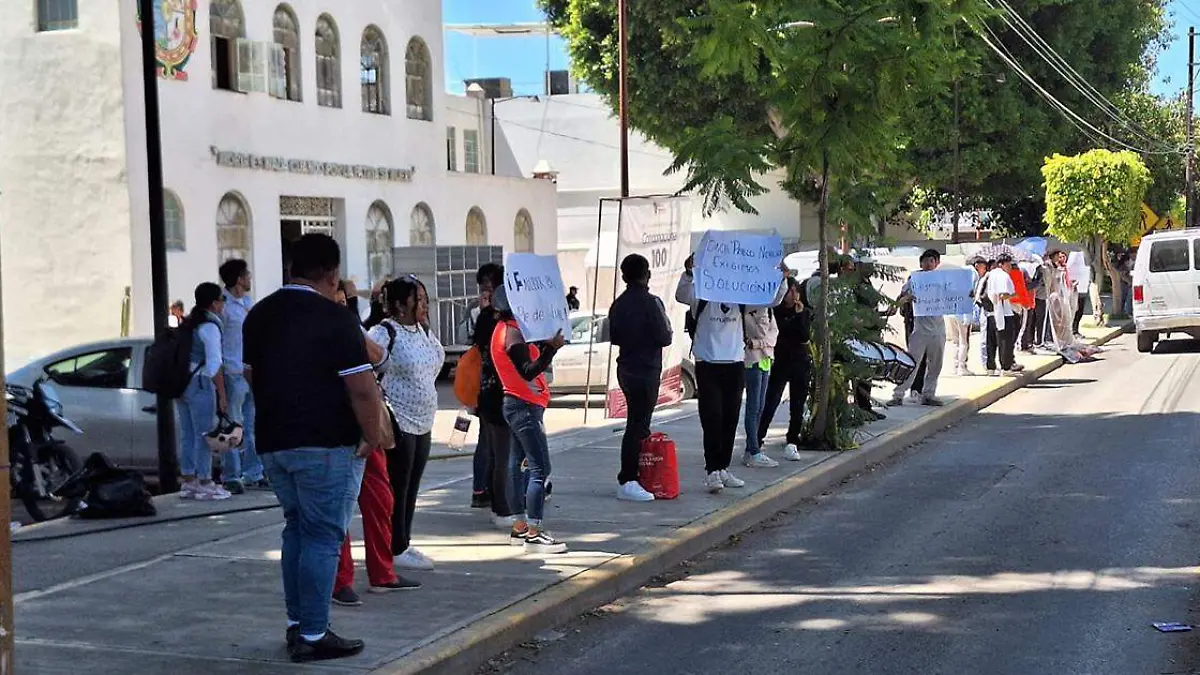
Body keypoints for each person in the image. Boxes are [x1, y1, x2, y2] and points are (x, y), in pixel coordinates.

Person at [244, 233, 388, 663]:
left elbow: (251, 378)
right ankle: (312, 632)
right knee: (324, 535)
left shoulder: (258, 315)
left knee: (296, 530)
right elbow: (362, 389)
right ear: (331, 275)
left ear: (292, 268)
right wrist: (373, 434)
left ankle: (297, 623)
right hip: (326, 442)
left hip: (274, 441)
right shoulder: (334, 318)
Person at [676, 252, 787, 493]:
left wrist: (781, 276)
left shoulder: (742, 299)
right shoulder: (702, 294)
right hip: (707, 363)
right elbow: (682, 294)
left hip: (735, 363)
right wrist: (688, 272)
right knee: (712, 417)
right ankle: (712, 471)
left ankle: (723, 467)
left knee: (730, 418)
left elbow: (772, 299)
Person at [331, 281, 405, 607]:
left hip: (365, 426)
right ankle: (340, 580)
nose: (340, 300)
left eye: (342, 297)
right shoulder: (309, 329)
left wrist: (352, 329)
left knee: (380, 498)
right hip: (333, 429)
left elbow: (382, 360)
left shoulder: (349, 328)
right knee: (338, 509)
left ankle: (382, 573)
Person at [373, 276, 445, 569]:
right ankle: (394, 546)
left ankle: (404, 540)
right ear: (402, 304)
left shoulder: (422, 331)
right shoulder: (383, 333)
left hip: (423, 421)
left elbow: (435, 363)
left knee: (413, 485)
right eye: (419, 300)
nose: (425, 305)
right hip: (398, 421)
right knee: (398, 487)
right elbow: (369, 370)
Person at [491, 284, 568, 553]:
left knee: (516, 466)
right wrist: (551, 350)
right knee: (540, 468)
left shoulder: (507, 329)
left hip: (517, 404)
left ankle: (520, 526)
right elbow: (528, 370)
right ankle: (534, 531)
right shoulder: (512, 333)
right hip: (523, 406)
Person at [608, 253, 672, 501]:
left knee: (636, 423)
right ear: (648, 274)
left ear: (624, 276)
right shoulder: (651, 302)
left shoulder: (619, 304)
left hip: (626, 366)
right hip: (646, 369)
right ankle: (629, 478)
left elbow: (614, 336)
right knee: (638, 425)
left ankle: (636, 475)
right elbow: (665, 336)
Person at [177, 283, 230, 501]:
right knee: (205, 434)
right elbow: (214, 362)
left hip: (181, 381)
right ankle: (206, 481)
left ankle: (189, 480)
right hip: (199, 382)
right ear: (214, 303)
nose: (223, 305)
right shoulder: (210, 326)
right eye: (221, 300)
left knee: (188, 434)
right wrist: (220, 392)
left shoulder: (189, 323)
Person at [472, 263, 517, 526]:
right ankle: (501, 507)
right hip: (499, 394)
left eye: (489, 286)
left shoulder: (489, 317)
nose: (485, 291)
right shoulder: (499, 320)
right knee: (502, 454)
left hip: (489, 393)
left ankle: (492, 496)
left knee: (496, 450)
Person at [218, 259, 265, 494]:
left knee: (252, 425)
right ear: (238, 279)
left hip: (249, 370)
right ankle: (231, 475)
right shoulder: (224, 307)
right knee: (232, 427)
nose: (250, 278)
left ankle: (253, 471)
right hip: (233, 371)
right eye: (246, 274)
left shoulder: (247, 304)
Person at [757, 277, 812, 461]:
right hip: (780, 362)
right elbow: (780, 331)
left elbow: (804, 336)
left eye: (796, 290)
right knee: (770, 402)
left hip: (800, 362)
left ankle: (792, 442)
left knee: (797, 405)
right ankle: (757, 439)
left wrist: (799, 315)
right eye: (790, 291)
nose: (794, 294)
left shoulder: (803, 311)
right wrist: (793, 318)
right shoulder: (775, 311)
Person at [890, 249, 946, 407]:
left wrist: (967, 295)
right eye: (926, 261)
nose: (928, 264)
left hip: (938, 329)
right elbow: (898, 301)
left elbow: (957, 296)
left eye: (932, 260)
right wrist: (906, 299)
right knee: (912, 363)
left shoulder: (943, 280)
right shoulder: (914, 280)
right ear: (920, 263)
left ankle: (928, 395)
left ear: (937, 263)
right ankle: (898, 395)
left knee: (936, 365)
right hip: (920, 330)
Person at [742, 301, 780, 468]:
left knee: (760, 407)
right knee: (753, 407)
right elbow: (760, 331)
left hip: (765, 360)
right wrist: (760, 342)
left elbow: (773, 335)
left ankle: (751, 448)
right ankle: (754, 450)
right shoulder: (748, 310)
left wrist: (758, 344)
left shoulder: (769, 309)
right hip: (752, 361)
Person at [983, 253, 1023, 376]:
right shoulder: (1003, 276)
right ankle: (1006, 368)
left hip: (991, 313)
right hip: (1003, 313)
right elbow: (1002, 295)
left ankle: (991, 368)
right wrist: (1014, 295)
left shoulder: (990, 275)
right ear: (1001, 264)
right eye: (1008, 264)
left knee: (991, 341)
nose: (1010, 266)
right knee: (1005, 341)